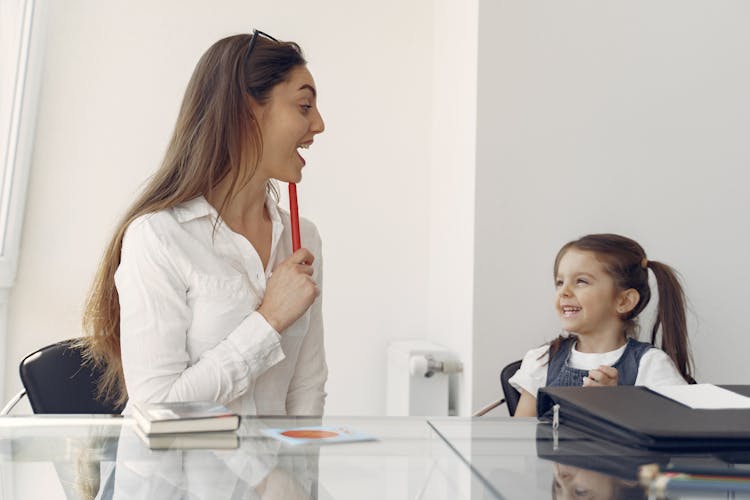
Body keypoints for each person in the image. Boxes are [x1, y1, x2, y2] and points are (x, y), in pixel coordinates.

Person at [79, 30, 327, 416]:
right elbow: (158, 405)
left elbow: (306, 389)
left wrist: (293, 475)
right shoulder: (159, 237)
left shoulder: (302, 239)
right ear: (248, 111)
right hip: (179, 475)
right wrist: (270, 319)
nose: (319, 125)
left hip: (275, 476)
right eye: (304, 106)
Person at [511, 233, 693, 417]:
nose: (563, 292)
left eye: (581, 281)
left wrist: (616, 405)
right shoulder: (542, 361)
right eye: (560, 282)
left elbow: (678, 431)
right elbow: (520, 437)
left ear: (624, 301)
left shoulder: (651, 365)